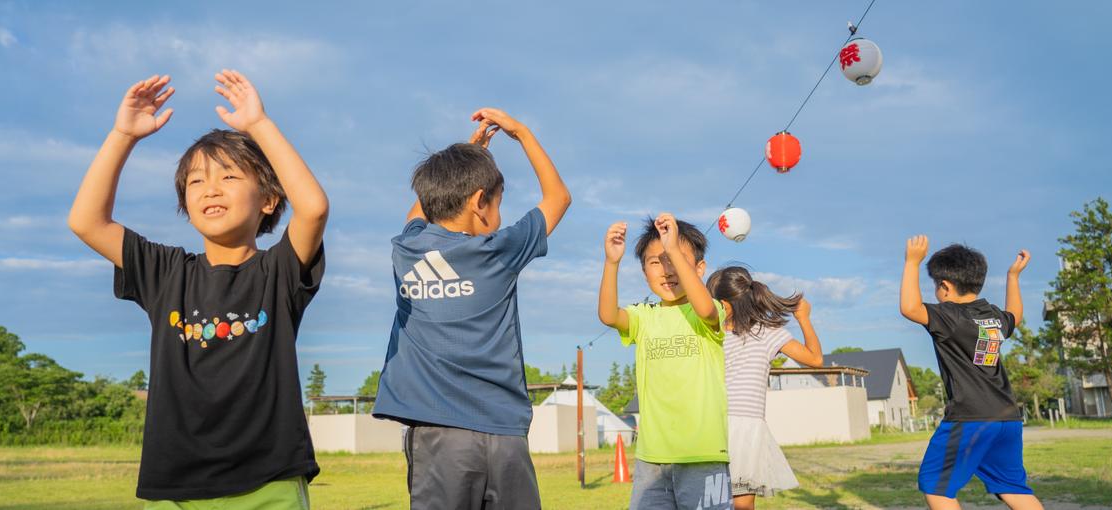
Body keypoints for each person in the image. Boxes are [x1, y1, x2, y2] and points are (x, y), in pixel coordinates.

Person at [68, 71, 329, 508]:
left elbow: (314, 208)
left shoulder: (278, 271)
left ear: (268, 201)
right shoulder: (167, 272)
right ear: (185, 204)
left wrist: (259, 125)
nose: (210, 188)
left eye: (229, 177)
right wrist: (122, 135)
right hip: (176, 489)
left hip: (270, 483)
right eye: (195, 181)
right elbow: (86, 222)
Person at [372, 108, 571, 510]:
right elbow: (558, 198)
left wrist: (465, 152)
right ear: (481, 202)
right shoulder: (499, 250)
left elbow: (419, 212)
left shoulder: (407, 249)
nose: (499, 218)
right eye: (498, 204)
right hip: (504, 433)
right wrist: (523, 133)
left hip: (436, 434)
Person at [598, 214, 732, 510]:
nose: (667, 269)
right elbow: (608, 315)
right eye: (655, 262)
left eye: (675, 258)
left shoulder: (709, 312)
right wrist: (611, 262)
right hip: (652, 458)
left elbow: (705, 308)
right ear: (644, 272)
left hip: (703, 454)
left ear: (699, 268)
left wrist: (672, 249)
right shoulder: (644, 317)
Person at [899, 235, 1041, 510]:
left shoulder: (951, 316)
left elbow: (910, 308)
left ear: (945, 286)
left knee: (935, 485)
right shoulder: (993, 317)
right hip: (1006, 417)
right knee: (1013, 487)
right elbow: (1015, 314)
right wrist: (1013, 277)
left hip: (970, 418)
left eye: (936, 287)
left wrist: (912, 262)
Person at [706, 266, 824, 510]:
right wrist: (803, 318)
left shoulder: (712, 334)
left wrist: (803, 318)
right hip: (740, 428)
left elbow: (815, 361)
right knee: (741, 504)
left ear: (725, 304)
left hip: (721, 427)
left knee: (715, 502)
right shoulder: (768, 332)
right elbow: (814, 358)